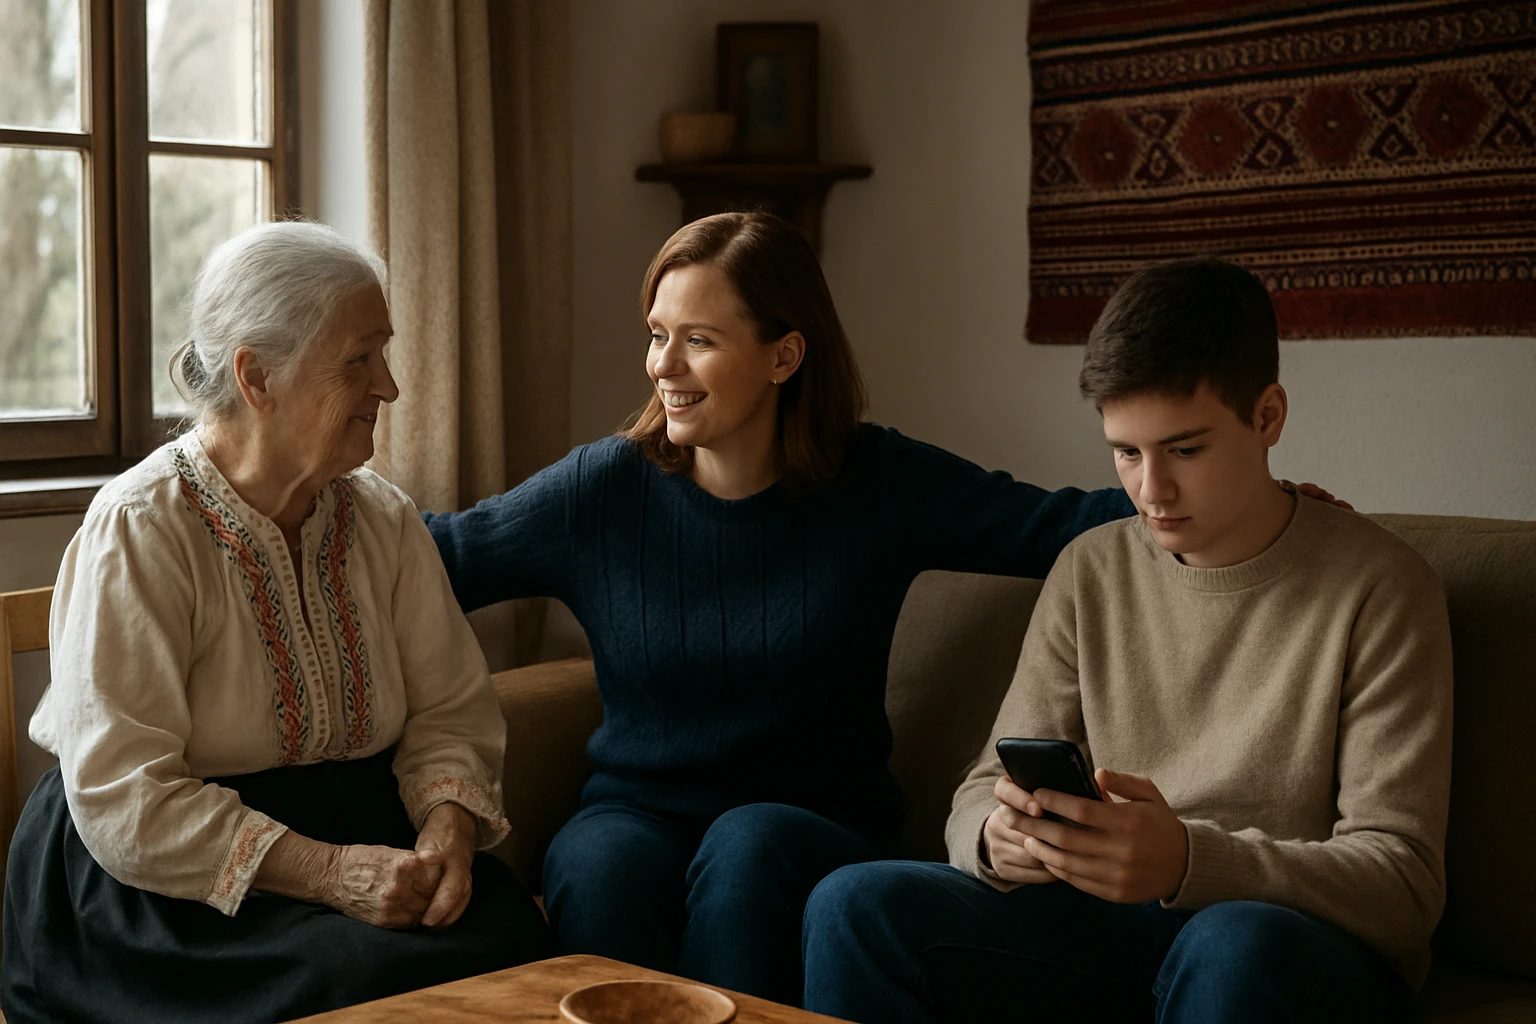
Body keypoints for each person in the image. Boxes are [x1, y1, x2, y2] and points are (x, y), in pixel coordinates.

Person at [423, 212, 1140, 1005]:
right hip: (636, 811)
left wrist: (1246, 503)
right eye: (657, 334)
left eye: (698, 339)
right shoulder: (602, 489)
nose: (664, 365)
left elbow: (1053, 523)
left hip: (811, 824)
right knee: (599, 864)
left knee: (748, 842)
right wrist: (272, 511)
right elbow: (431, 558)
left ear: (784, 356)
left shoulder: (874, 482)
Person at [800, 256, 1453, 1023]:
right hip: (1112, 929)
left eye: (1185, 449)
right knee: (855, 903)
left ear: (1269, 416)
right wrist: (996, 836)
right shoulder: (1091, 568)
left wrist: (1186, 859)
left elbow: (1403, 884)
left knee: (1232, 944)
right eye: (1126, 452)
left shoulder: (1383, 586)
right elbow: (980, 789)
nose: (1151, 490)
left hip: (1291, 947)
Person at [2, 222, 551, 1023]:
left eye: (383, 355)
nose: (389, 387)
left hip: (362, 836)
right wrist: (331, 874)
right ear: (256, 377)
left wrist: (447, 831)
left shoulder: (383, 521)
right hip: (170, 878)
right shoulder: (141, 527)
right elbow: (125, 794)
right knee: (364, 983)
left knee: (511, 948)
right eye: (359, 360)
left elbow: (449, 711)